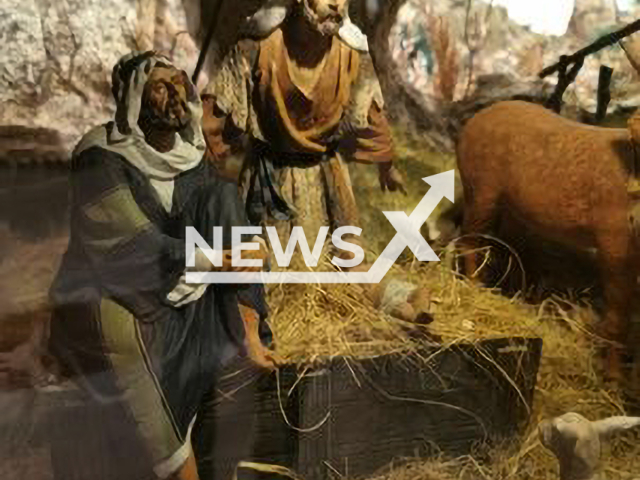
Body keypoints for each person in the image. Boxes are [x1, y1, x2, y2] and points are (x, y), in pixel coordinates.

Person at [48, 51, 276, 480]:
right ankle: (176, 468)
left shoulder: (191, 154)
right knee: (130, 346)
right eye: (161, 87)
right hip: (116, 288)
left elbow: (217, 219)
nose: (176, 94)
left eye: (179, 84)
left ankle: (248, 331)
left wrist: (242, 251)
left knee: (224, 196)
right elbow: (125, 243)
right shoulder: (99, 156)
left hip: (184, 284)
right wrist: (208, 259)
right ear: (134, 100)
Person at [201, 0, 431, 323]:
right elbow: (216, 117)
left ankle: (397, 300)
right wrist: (197, 170)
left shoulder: (350, 54)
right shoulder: (257, 48)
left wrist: (386, 163)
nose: (336, 4)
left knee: (347, 261)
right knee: (268, 273)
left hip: (328, 180)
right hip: (269, 185)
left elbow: (372, 113)